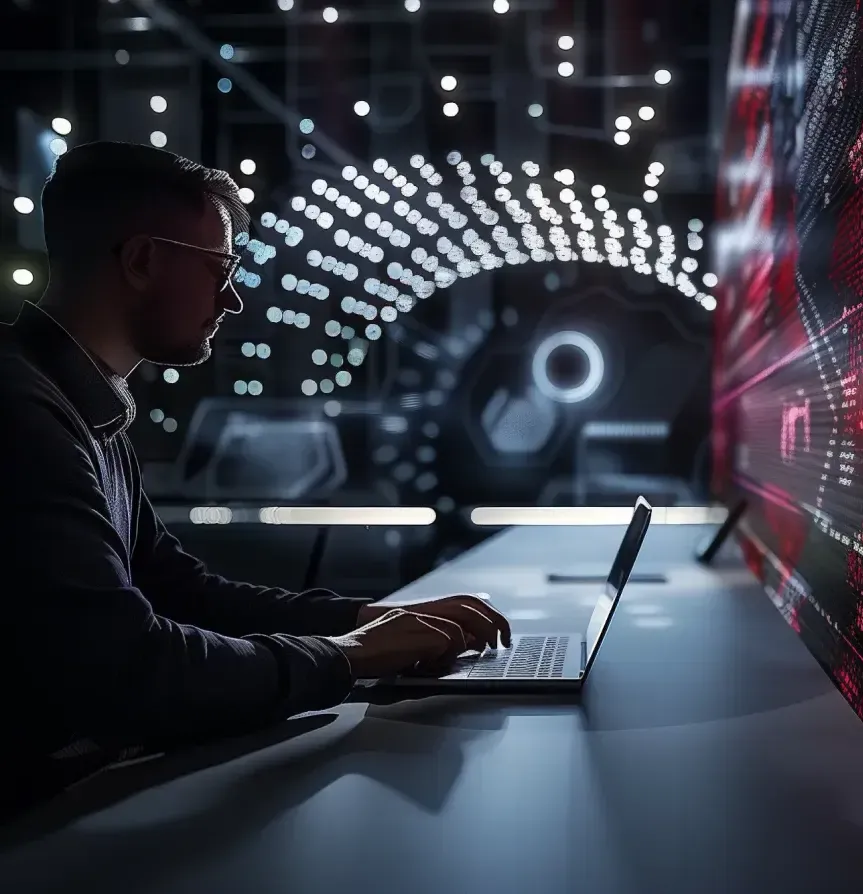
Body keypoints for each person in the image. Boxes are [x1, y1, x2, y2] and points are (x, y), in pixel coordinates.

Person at [0, 141, 512, 812]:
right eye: (220, 267)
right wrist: (348, 656)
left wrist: (371, 620)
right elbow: (127, 668)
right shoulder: (24, 414)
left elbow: (186, 594)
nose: (233, 298)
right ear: (143, 260)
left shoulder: (75, 403)